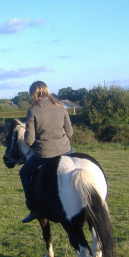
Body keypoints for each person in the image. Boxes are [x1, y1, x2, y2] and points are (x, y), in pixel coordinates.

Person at [20, 81, 74, 223]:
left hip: (44, 154)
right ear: (47, 91)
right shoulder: (61, 107)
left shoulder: (32, 110)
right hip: (66, 150)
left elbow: (30, 140)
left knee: (24, 173)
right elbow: (70, 132)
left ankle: (33, 208)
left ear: (33, 93)